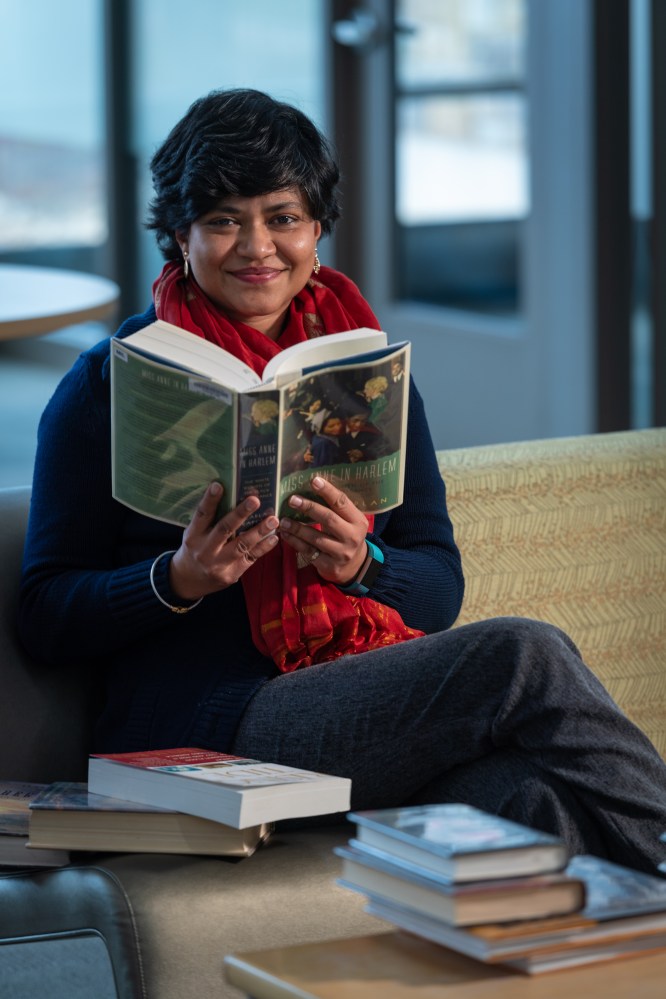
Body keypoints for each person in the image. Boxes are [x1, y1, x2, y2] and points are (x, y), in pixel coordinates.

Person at [18, 88, 666, 876]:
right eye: (223, 220)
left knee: (537, 802)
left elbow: (438, 588)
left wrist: (364, 564)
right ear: (180, 235)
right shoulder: (108, 385)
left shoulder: (369, 378)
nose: (258, 246)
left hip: (353, 692)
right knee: (522, 654)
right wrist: (176, 579)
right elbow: (44, 615)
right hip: (200, 732)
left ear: (317, 227)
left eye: (283, 217)